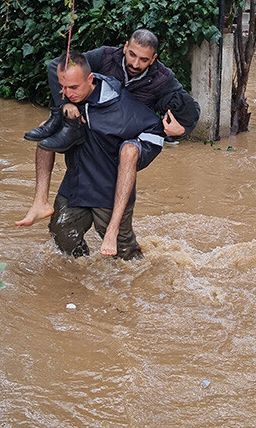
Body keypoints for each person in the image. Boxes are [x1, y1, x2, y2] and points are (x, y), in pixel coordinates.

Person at [16, 29, 200, 258]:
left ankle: (114, 234)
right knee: (62, 231)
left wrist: (182, 130)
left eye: (143, 60)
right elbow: (60, 67)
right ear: (125, 47)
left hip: (133, 136)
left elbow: (190, 109)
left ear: (153, 59)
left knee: (128, 152)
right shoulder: (104, 57)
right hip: (96, 132)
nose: (135, 63)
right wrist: (62, 107)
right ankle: (78, 264)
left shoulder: (163, 78)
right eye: (132, 55)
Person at [46, 51, 164, 260]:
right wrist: (64, 104)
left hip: (109, 190)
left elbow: (155, 131)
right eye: (63, 87)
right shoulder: (67, 101)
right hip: (76, 185)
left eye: (73, 88)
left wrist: (135, 150)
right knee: (62, 232)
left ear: (90, 79)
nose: (67, 93)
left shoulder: (121, 105)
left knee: (125, 255)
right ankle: (83, 276)